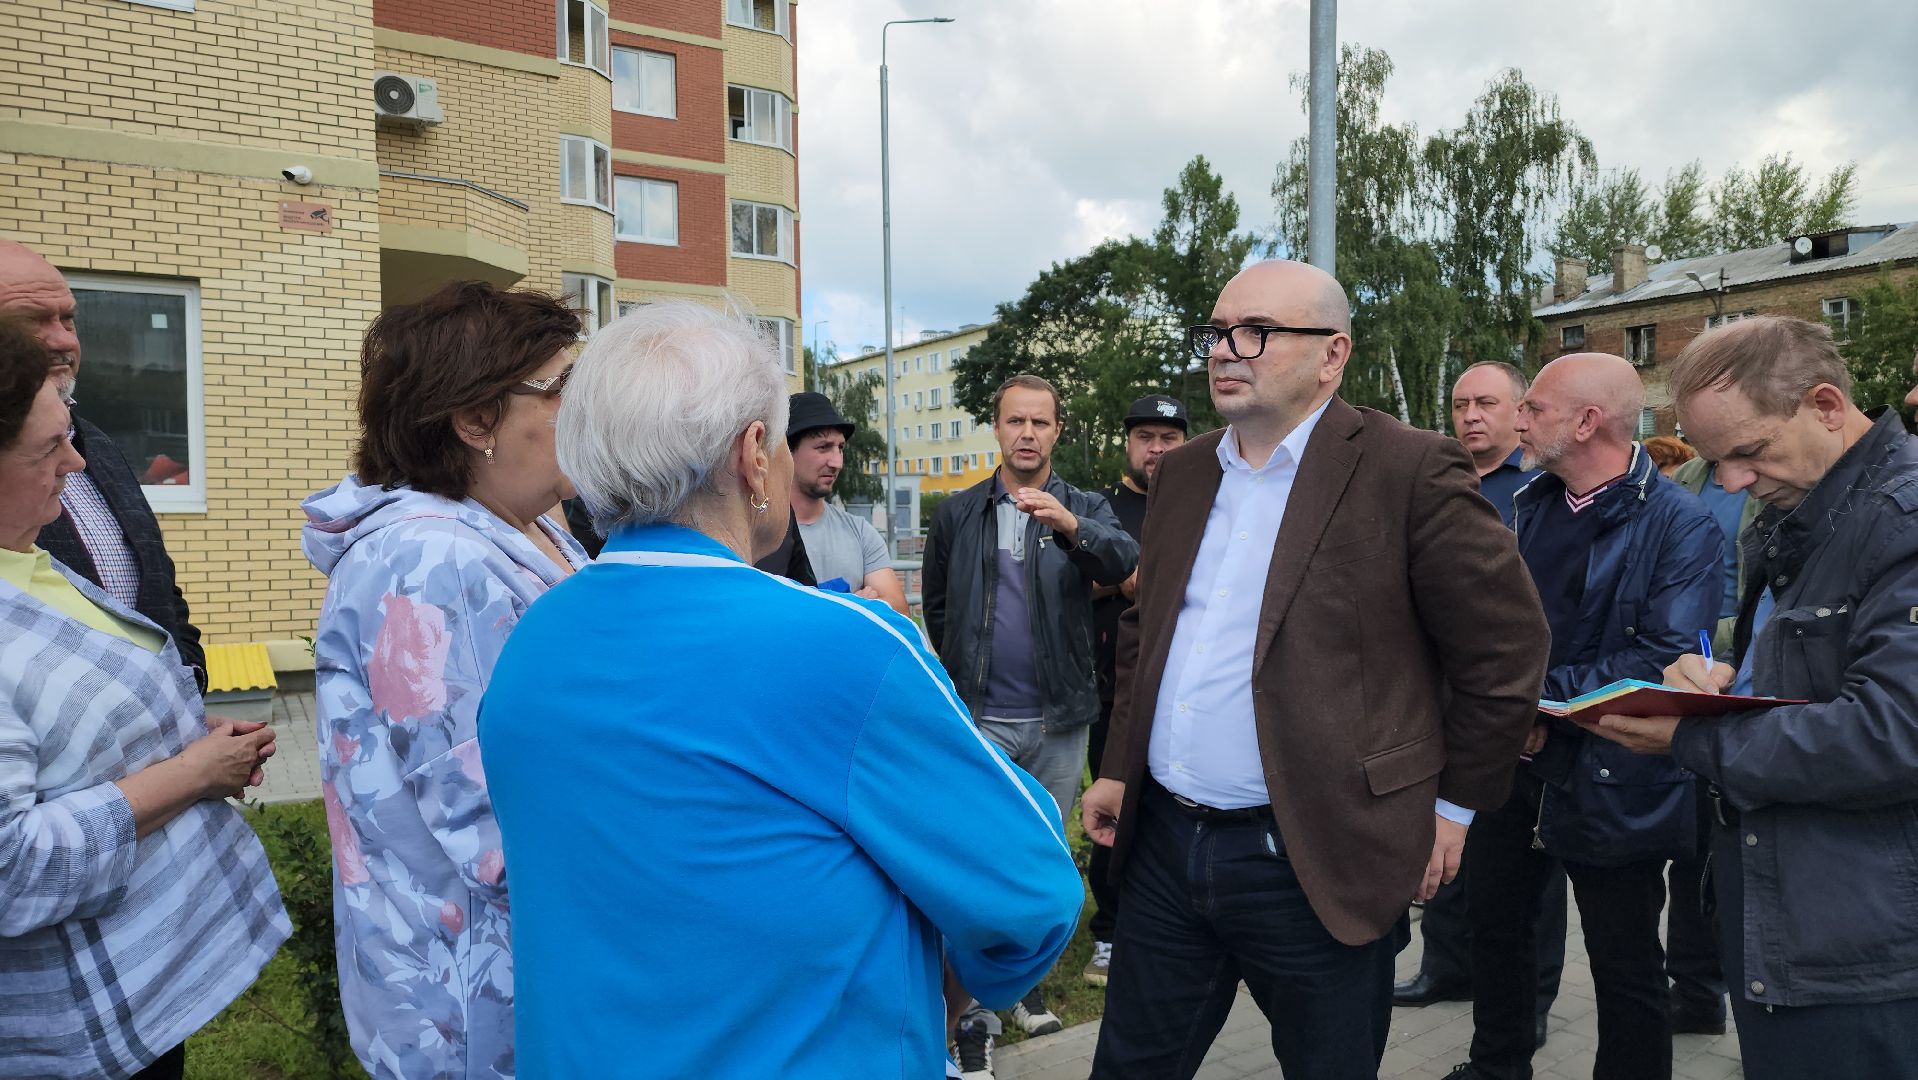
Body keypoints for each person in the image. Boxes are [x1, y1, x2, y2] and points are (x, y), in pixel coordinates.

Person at [477, 300, 1082, 1079]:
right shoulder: (840, 645)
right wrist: (944, 1000)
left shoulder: (533, 639)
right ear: (754, 453)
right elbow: (1030, 890)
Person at [1080, 260, 1549, 1079]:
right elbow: (1145, 631)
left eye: (1255, 333)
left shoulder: (1409, 468)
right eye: (1217, 333)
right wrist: (1120, 767)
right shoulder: (1185, 472)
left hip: (1317, 859)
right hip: (1165, 848)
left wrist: (1456, 807)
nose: (1226, 351)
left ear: (1333, 354)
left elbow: (1505, 650)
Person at [1584, 316, 1918, 1079]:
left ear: (1827, 405)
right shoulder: (1805, 509)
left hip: (1866, 948)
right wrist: (1716, 674)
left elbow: (1893, 732)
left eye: (1748, 452)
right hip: (1799, 915)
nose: (1730, 483)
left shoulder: (1901, 517)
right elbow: (1799, 659)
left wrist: (1688, 740)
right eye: (1714, 461)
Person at [302, 282, 590, 1079]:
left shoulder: (522, 525)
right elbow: (490, 818)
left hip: (503, 975)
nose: (586, 406)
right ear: (473, 422)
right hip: (471, 1008)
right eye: (561, 387)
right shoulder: (432, 563)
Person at [0, 318, 289, 1078]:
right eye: (47, 450)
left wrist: (183, 733)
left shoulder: (22, 555)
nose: (75, 462)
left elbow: (64, 713)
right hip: (73, 1037)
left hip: (146, 987)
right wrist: (191, 775)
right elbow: (9, 867)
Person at [1444, 353, 1721, 1080]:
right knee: (1496, 931)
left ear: (1586, 421)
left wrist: (1535, 706)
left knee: (1625, 959)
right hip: (1513, 762)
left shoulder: (1680, 524)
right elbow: (1498, 627)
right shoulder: (1530, 503)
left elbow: (1662, 659)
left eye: (1532, 407)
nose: (1518, 419)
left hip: (1614, 769)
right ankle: (1496, 1065)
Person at [923, 372, 1138, 1072]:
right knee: (983, 856)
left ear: (1058, 431)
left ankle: (1023, 986)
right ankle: (973, 1012)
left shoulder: (1084, 506)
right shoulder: (959, 513)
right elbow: (940, 607)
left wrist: (1069, 525)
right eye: (1015, 421)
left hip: (1058, 720)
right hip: (981, 717)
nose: (1027, 434)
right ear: (996, 427)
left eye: (1040, 423)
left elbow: (1125, 560)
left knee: (1041, 854)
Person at [1396, 361, 1567, 1052]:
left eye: (1486, 403)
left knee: (1527, 867)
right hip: (1434, 701)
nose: (1470, 415)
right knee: (1439, 844)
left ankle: (1533, 1001)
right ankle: (1444, 967)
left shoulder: (1539, 492)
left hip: (1515, 707)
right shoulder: (1436, 481)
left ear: (1519, 408)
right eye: (1460, 403)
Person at [0, 239, 205, 691]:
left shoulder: (99, 445)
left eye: (68, 318)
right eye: (31, 321)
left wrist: (187, 690)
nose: (63, 340)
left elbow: (159, 581)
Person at [1083, 392, 1187, 987]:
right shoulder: (1104, 507)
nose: (1156, 448)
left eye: (1168, 438)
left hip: (1184, 690)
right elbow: (1088, 577)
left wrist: (1134, 578)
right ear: (1129, 443)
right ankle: (1110, 930)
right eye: (1145, 437)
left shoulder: (1206, 496)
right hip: (1112, 691)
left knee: (1177, 812)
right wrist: (1130, 577)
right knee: (1112, 809)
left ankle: (1168, 928)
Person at [1662, 448, 1757, 1036]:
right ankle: (1695, 990)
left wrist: (1706, 636)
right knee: (1690, 848)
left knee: (1726, 849)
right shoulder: (1693, 476)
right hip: (1685, 671)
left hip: (1739, 669)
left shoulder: (1772, 476)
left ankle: (1725, 989)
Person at [755, 391, 908, 614]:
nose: (837, 462)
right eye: (823, 447)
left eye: (840, 448)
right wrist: (854, 607)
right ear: (786, 452)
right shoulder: (756, 535)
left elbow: (899, 612)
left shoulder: (860, 531)